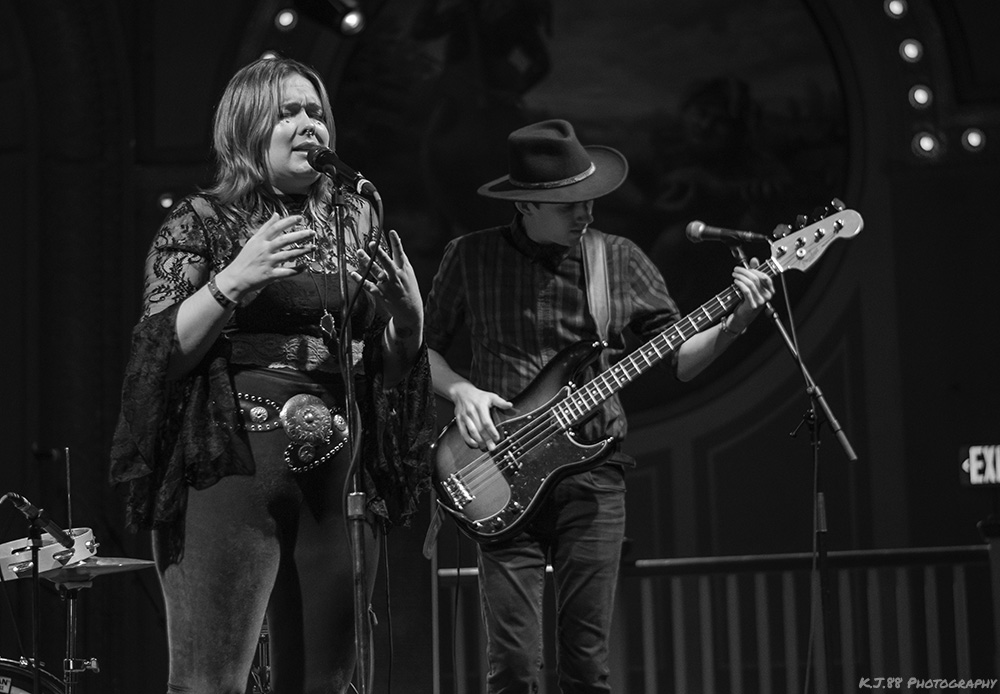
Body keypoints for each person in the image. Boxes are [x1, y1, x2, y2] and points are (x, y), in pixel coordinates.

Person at [109, 57, 435, 694]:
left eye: (316, 111)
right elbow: (158, 357)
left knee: (323, 685)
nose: (308, 123)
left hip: (335, 480)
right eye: (289, 111)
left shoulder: (354, 220)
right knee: (210, 684)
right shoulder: (202, 221)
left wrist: (410, 321)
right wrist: (235, 280)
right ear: (249, 126)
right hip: (231, 472)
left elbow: (383, 368)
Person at [422, 119, 774, 693]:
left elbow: (683, 359)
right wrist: (459, 389)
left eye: (588, 200)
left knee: (587, 666)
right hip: (496, 470)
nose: (585, 213)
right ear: (527, 205)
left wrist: (738, 323)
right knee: (513, 668)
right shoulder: (470, 257)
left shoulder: (619, 260)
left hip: (593, 480)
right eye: (568, 205)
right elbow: (422, 352)